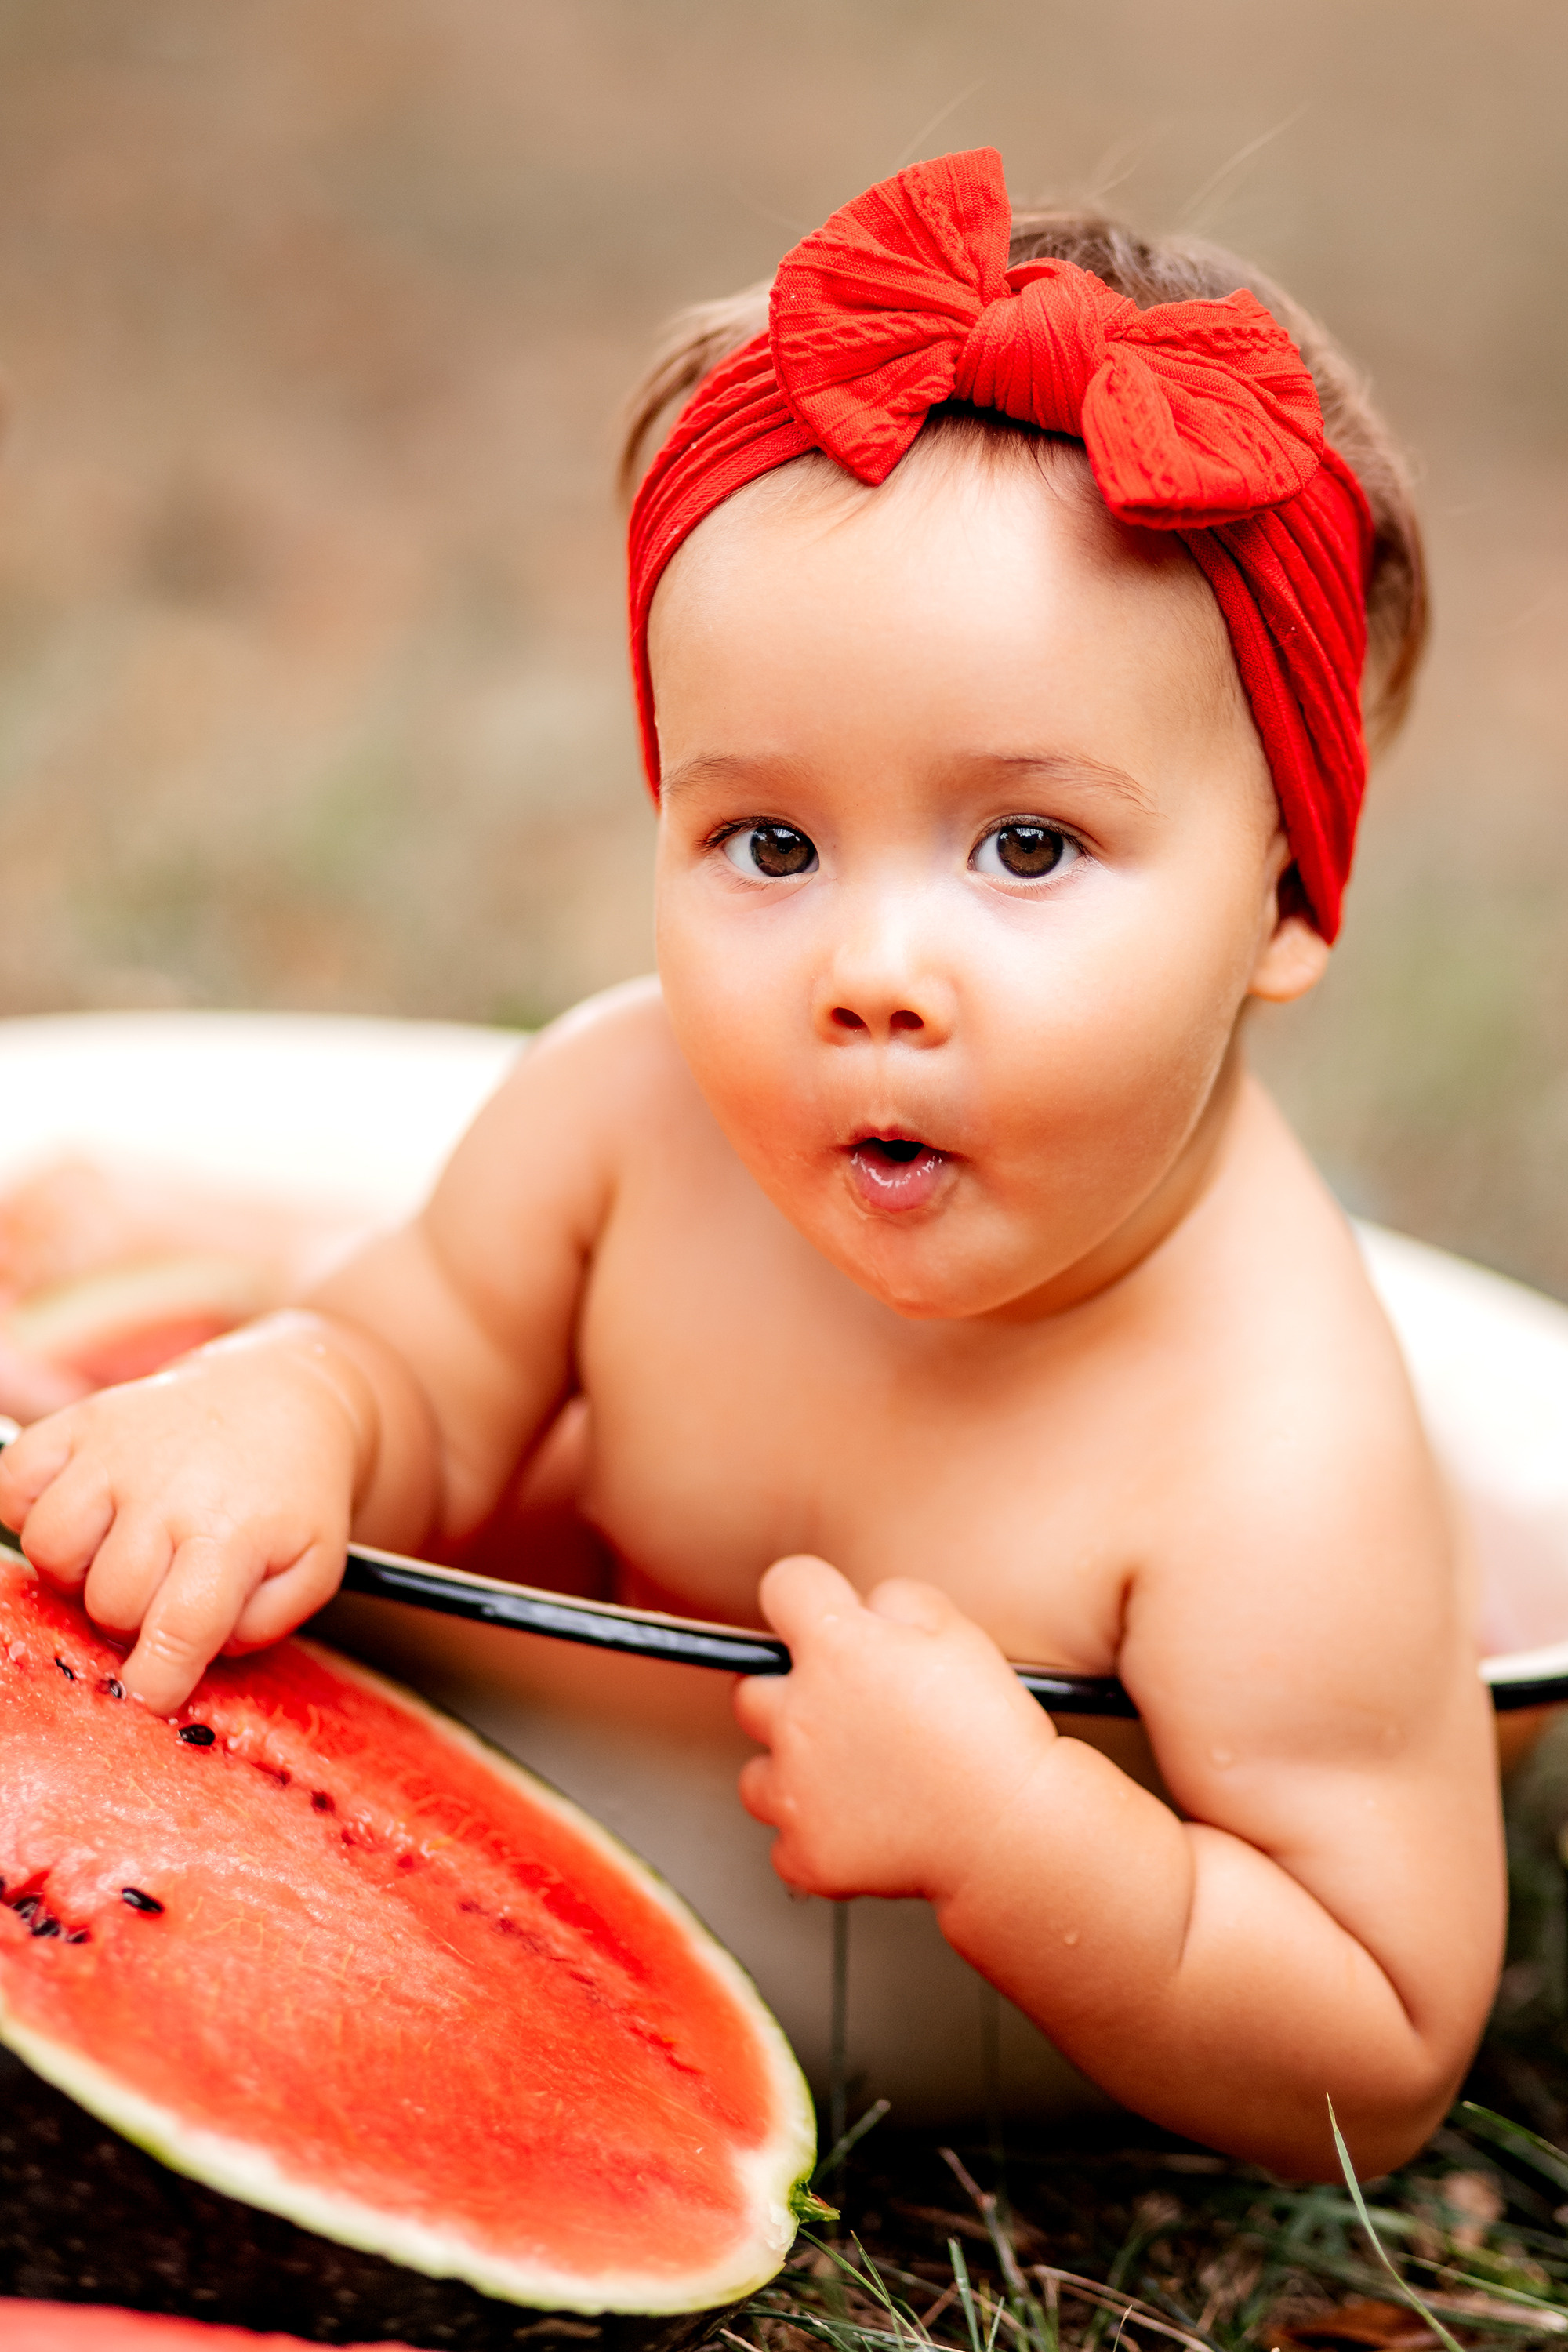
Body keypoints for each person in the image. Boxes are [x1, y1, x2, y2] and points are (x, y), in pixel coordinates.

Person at [0, 149, 1504, 2178]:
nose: (872, 973)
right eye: (769, 845)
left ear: (1287, 894)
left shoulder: (1271, 1454)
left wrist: (1029, 1839)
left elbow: (1388, 2041)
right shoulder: (630, 1116)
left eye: (1029, 847)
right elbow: (423, 1362)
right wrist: (296, 1405)